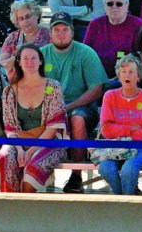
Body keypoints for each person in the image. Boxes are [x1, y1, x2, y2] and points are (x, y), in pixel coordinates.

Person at [42, 12, 109, 193]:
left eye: (65, 29)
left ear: (72, 32)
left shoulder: (86, 53)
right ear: (50, 33)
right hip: (48, 108)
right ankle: (39, 170)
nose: (61, 33)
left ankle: (77, 175)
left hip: (82, 108)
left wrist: (68, 107)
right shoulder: (41, 55)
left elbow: (96, 89)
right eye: (57, 29)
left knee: (77, 119)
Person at [0, 45, 68, 192]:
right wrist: (19, 150)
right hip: (18, 141)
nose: (30, 62)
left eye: (34, 58)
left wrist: (30, 151)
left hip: (48, 142)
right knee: (4, 159)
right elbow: (10, 129)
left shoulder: (52, 87)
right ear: (19, 62)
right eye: (25, 59)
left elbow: (53, 128)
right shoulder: (10, 91)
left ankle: (28, 209)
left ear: (41, 61)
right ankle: (8, 206)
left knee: (32, 169)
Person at [96, 55, 142, 196]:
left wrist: (118, 130)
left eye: (131, 71)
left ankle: (128, 203)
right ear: (118, 75)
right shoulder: (110, 96)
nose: (127, 75)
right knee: (105, 168)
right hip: (115, 146)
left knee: (128, 169)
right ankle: (121, 200)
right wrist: (131, 128)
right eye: (123, 71)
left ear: (139, 76)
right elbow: (106, 130)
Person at [84, 0, 142, 78]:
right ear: (104, 5)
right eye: (110, 4)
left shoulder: (138, 25)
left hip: (127, 76)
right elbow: (85, 53)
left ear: (127, 5)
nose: (114, 7)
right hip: (97, 76)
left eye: (119, 4)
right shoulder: (95, 25)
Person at [0, 0, 51, 72]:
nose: (25, 21)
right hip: (18, 80)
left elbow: (53, 64)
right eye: (21, 19)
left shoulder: (49, 36)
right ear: (17, 22)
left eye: (28, 16)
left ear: (37, 15)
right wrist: (19, 57)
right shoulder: (12, 38)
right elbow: (2, 64)